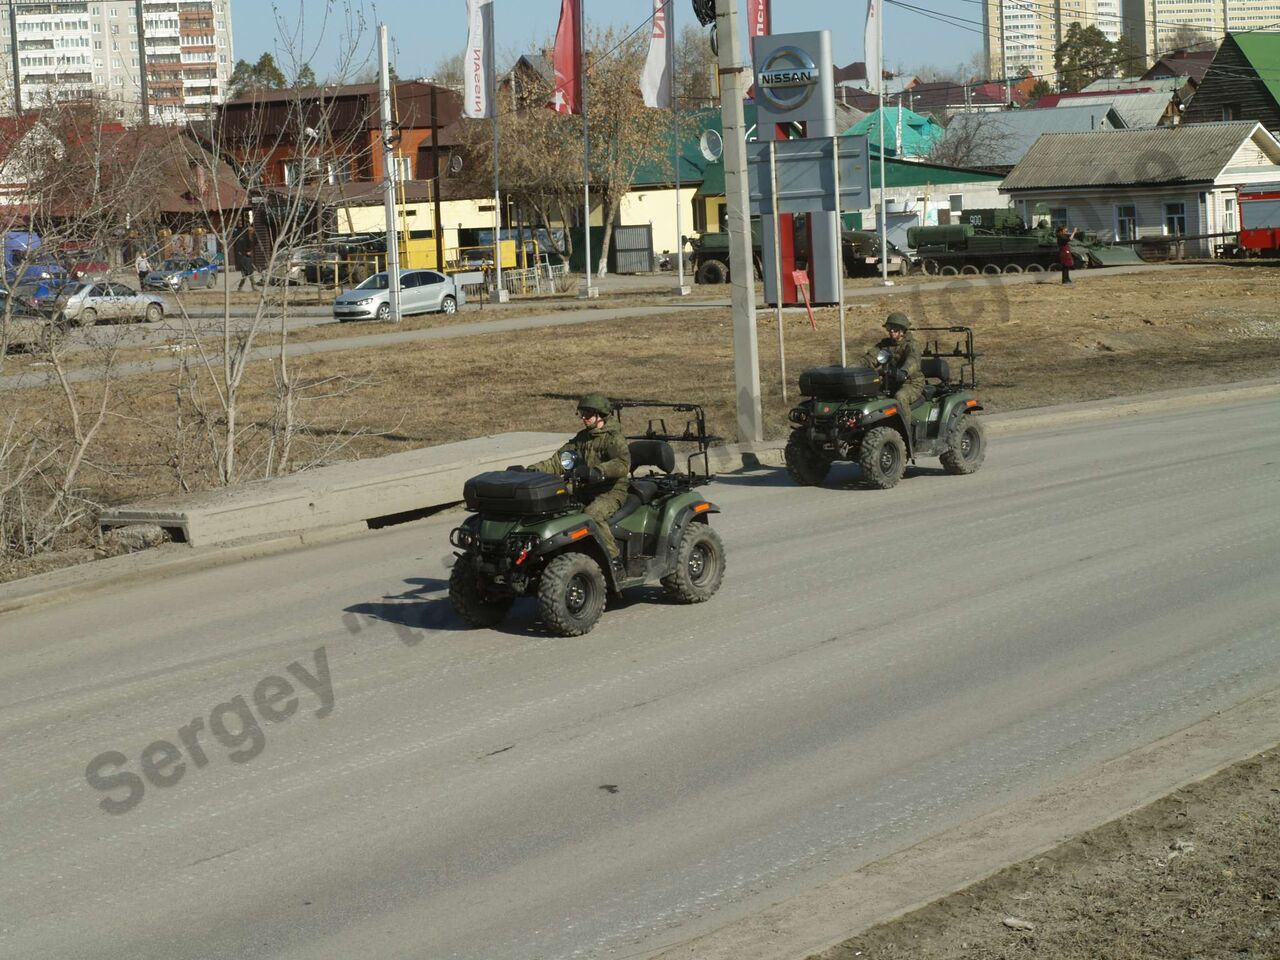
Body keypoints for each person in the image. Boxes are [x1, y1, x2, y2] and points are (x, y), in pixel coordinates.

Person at [526, 393, 631, 563]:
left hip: (611, 491)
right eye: (582, 413)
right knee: (553, 502)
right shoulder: (581, 438)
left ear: (601, 415)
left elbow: (622, 464)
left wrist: (597, 471)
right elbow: (559, 462)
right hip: (583, 488)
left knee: (593, 514)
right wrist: (532, 470)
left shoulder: (613, 438)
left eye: (588, 414)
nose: (584, 418)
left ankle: (612, 558)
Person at [864, 312, 924, 412]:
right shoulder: (885, 345)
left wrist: (903, 372)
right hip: (890, 382)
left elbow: (913, 360)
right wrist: (851, 368)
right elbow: (870, 358)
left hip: (911, 383)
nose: (891, 331)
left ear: (902, 331)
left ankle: (905, 427)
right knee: (869, 395)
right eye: (889, 328)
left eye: (895, 328)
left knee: (900, 397)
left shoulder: (911, 345)